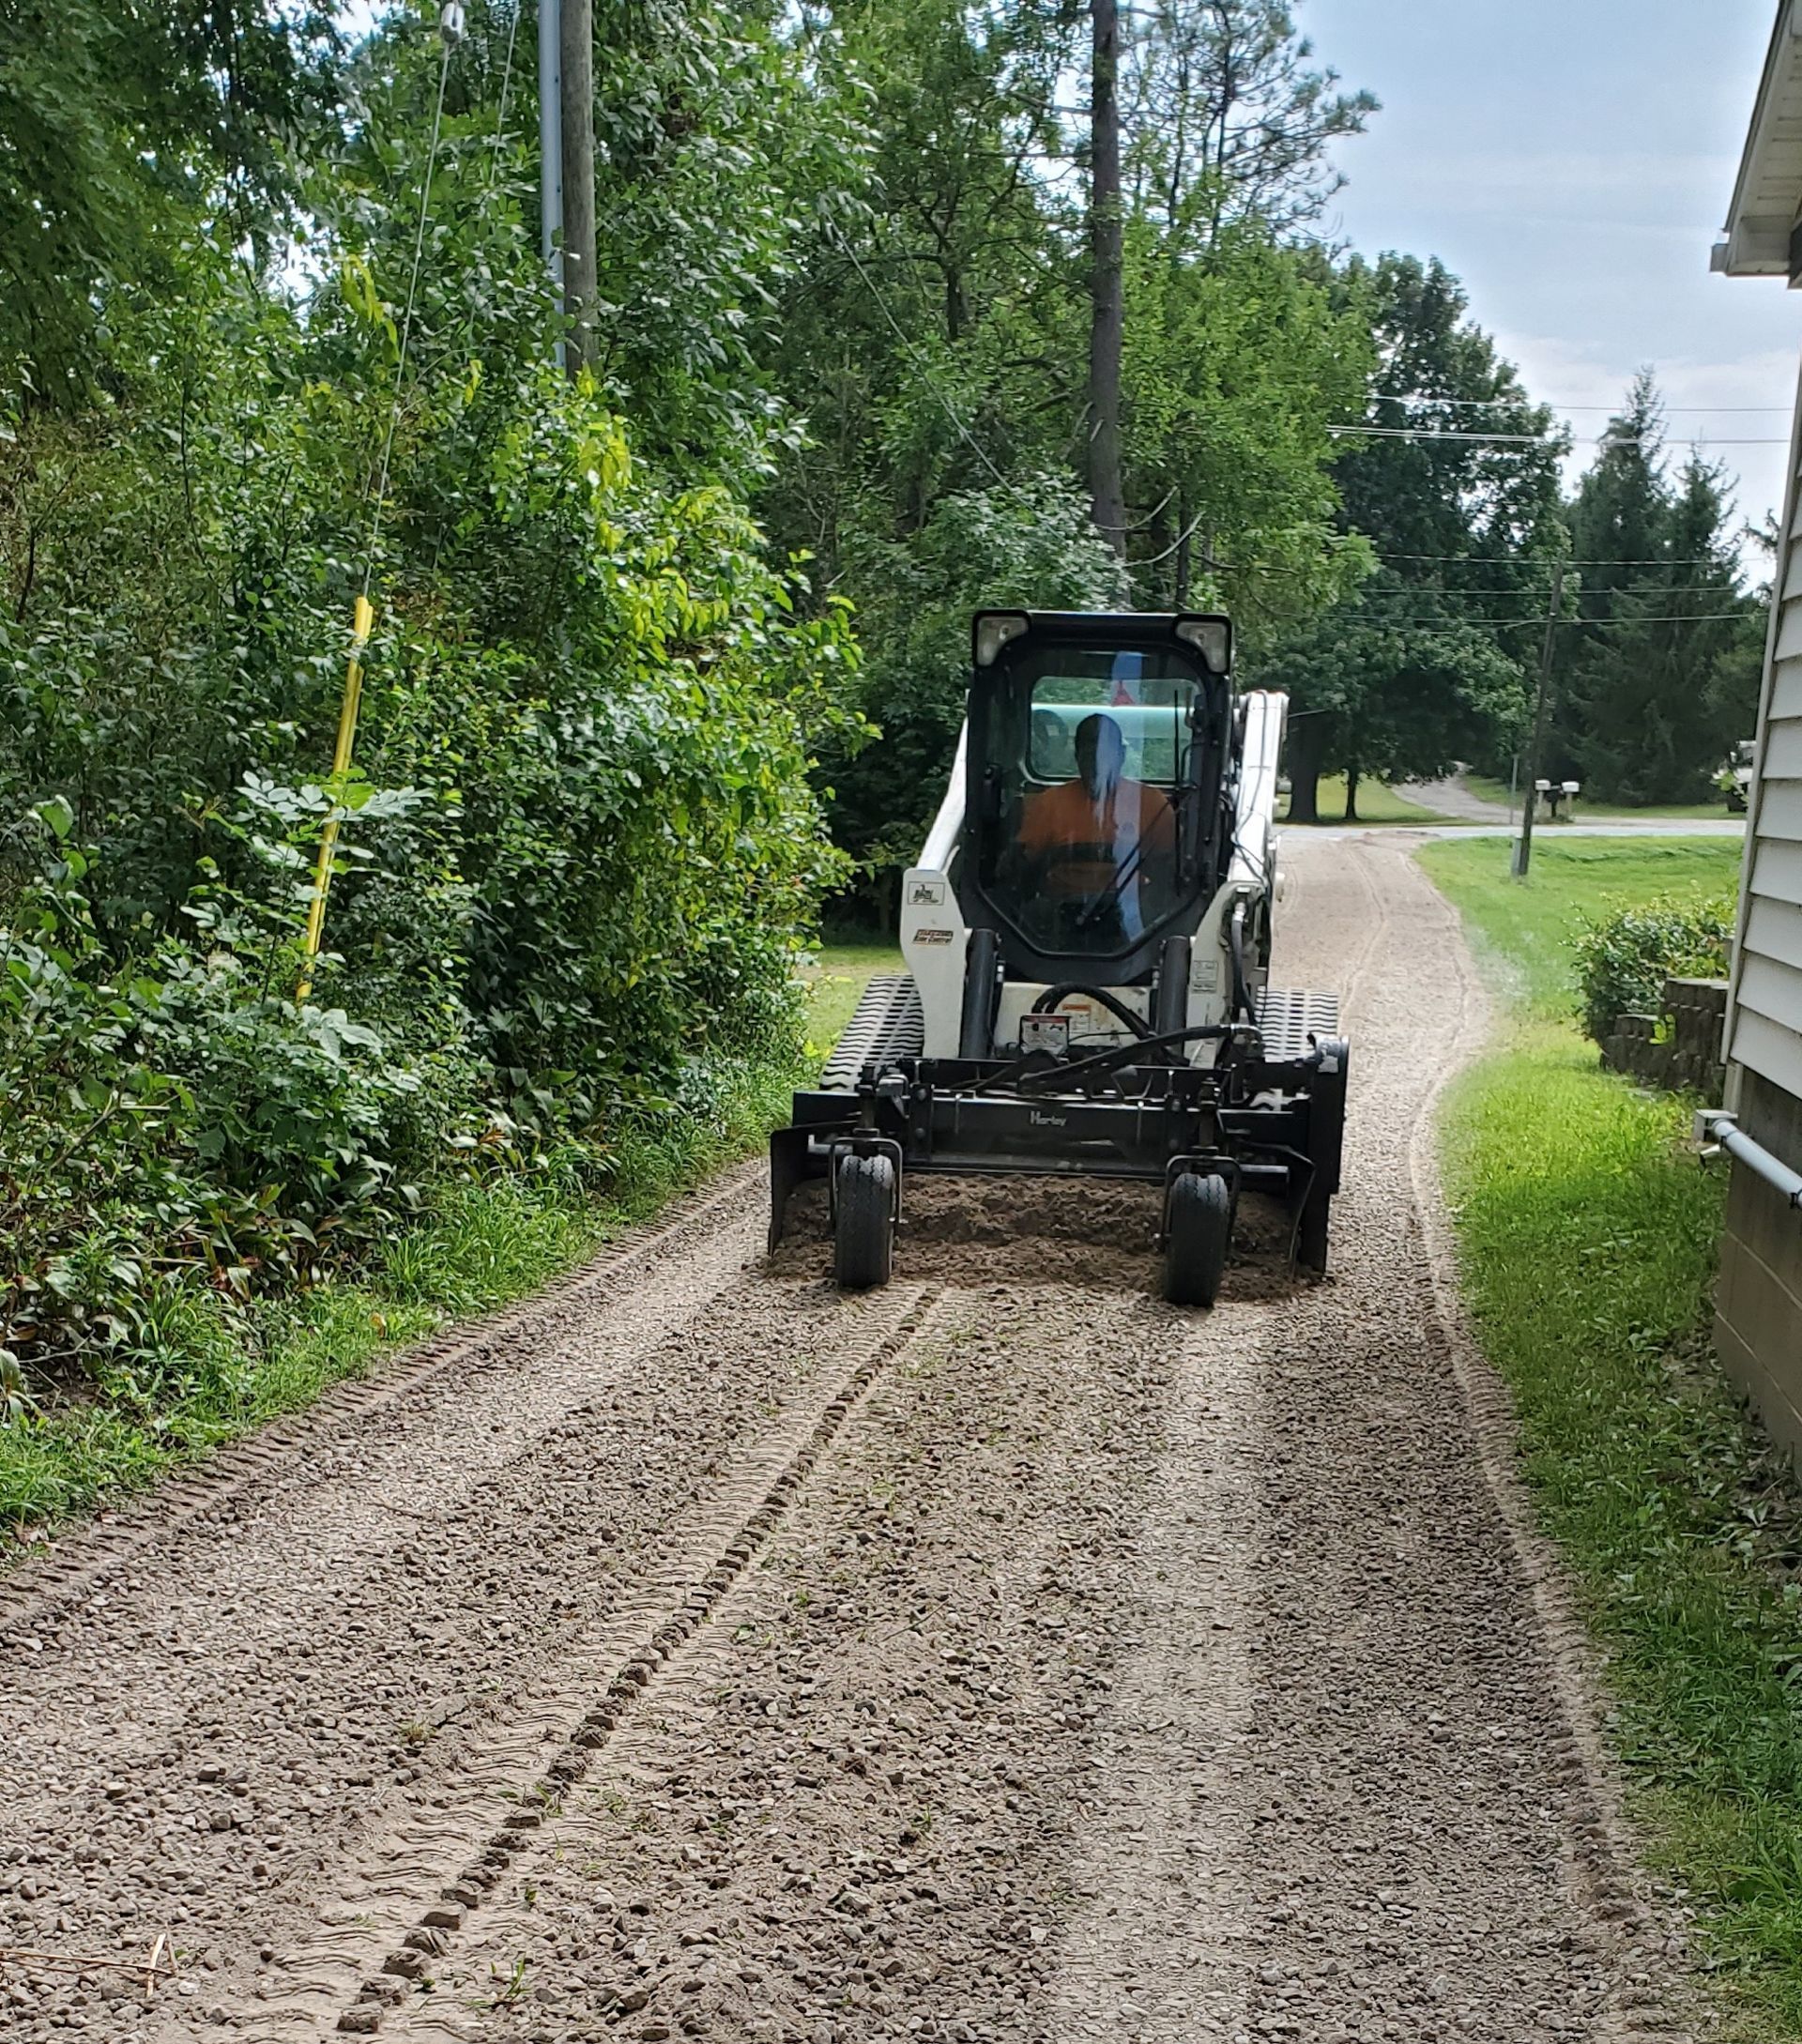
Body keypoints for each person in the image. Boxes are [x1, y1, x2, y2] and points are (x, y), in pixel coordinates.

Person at [1017, 711, 1173, 937]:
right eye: (1089, 753)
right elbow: (1025, 868)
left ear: (1122, 755)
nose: (1097, 763)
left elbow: (1169, 874)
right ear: (1076, 757)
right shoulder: (1049, 803)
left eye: (1105, 753)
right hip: (1060, 911)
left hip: (1131, 912)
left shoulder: (1151, 804)